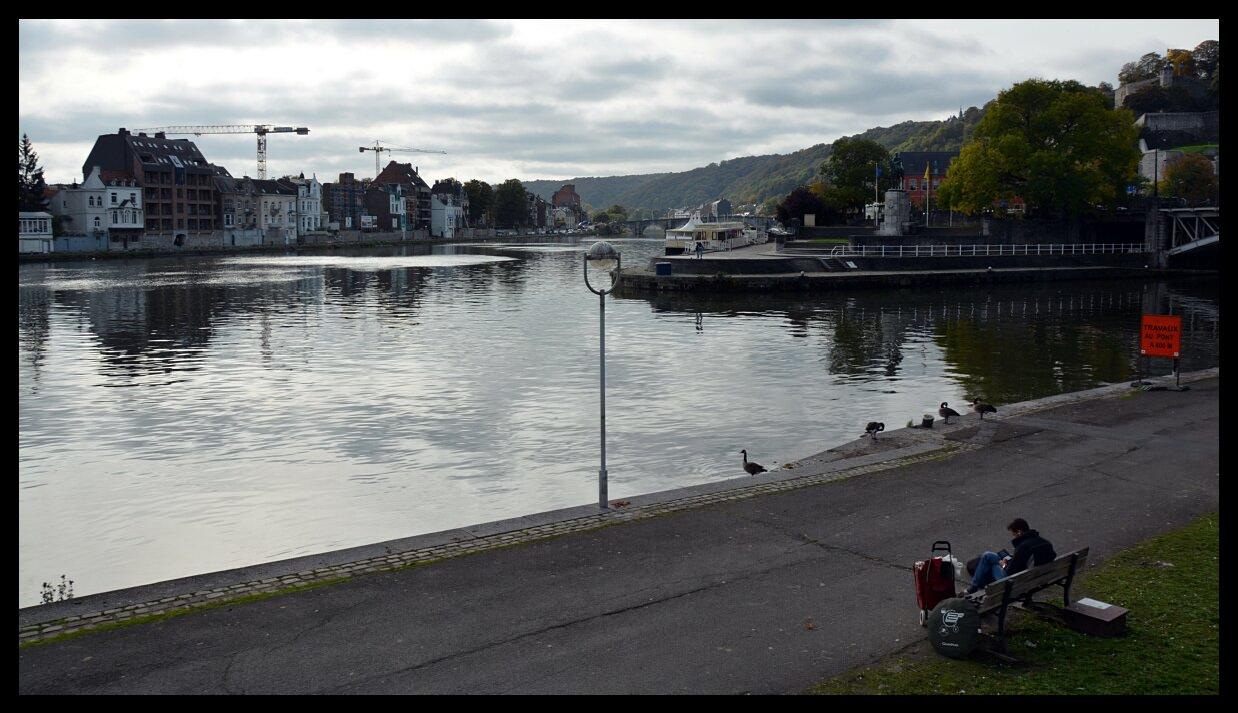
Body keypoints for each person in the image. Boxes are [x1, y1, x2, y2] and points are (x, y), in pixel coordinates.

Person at [964, 518, 1056, 595]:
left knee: (989, 559)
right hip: (1038, 577)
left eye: (1014, 534)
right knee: (989, 555)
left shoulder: (1024, 547)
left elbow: (1010, 571)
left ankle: (973, 588)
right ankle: (974, 586)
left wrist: (1003, 564)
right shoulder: (1045, 542)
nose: (1014, 537)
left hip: (1016, 584)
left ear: (1019, 532)